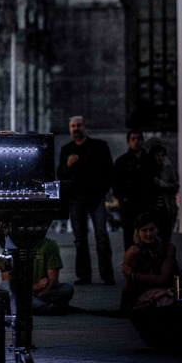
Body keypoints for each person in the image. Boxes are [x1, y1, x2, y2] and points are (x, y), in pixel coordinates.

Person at [57, 116, 115, 286]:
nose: (76, 129)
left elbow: (109, 170)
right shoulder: (67, 149)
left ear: (85, 127)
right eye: (73, 126)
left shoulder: (99, 146)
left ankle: (107, 275)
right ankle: (84, 276)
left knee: (102, 236)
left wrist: (103, 191)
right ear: (69, 129)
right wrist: (67, 165)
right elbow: (60, 174)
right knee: (80, 239)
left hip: (96, 197)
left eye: (79, 125)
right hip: (77, 199)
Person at [120, 211, 178, 311]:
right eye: (144, 230)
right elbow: (127, 283)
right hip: (142, 295)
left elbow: (163, 279)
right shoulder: (133, 252)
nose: (149, 234)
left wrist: (134, 275)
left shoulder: (168, 248)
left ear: (157, 229)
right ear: (138, 232)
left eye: (152, 229)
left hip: (165, 292)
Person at [113, 130, 156, 250]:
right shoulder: (122, 161)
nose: (136, 141)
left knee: (147, 235)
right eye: (133, 139)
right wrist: (123, 198)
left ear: (142, 141)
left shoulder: (149, 160)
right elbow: (116, 182)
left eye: (138, 138)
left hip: (145, 203)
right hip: (129, 204)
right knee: (130, 235)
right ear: (129, 141)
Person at [30, 237, 74, 314]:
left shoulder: (48, 245)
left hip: (42, 293)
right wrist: (37, 286)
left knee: (68, 288)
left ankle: (34, 305)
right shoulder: (9, 245)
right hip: (21, 293)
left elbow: (52, 280)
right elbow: (7, 282)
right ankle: (45, 307)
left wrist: (42, 291)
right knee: (4, 287)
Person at [149, 142, 179, 244]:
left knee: (166, 237)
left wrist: (161, 183)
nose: (160, 158)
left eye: (162, 155)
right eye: (157, 155)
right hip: (154, 208)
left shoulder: (168, 170)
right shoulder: (149, 170)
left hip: (167, 208)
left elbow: (175, 186)